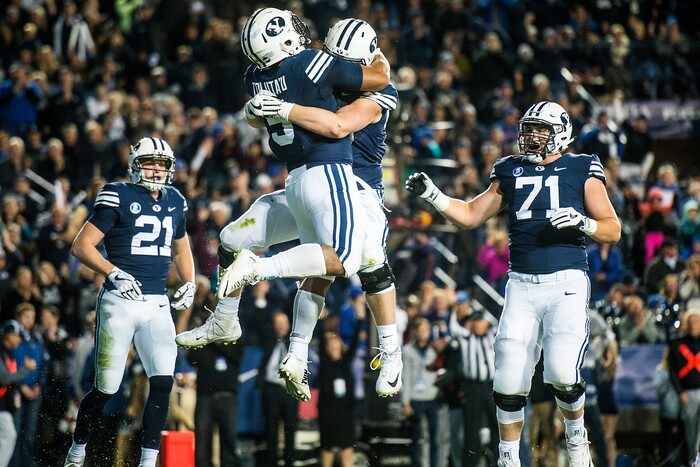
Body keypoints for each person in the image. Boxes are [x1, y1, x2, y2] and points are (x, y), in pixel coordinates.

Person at [175, 14, 399, 401]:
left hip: (360, 190)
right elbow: (328, 116)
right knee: (326, 261)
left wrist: (273, 109)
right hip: (327, 180)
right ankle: (254, 330)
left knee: (368, 260)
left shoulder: (352, 86)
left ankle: (389, 352)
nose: (339, 63)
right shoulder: (321, 70)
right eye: (335, 57)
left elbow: (339, 123)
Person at [406, 101, 622, 467]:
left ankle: (575, 435)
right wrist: (434, 196)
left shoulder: (582, 165)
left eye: (540, 129)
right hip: (520, 283)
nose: (532, 136)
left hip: (565, 281)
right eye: (529, 128)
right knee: (506, 376)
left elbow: (612, 229)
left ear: (561, 132)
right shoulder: (509, 169)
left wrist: (583, 223)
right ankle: (508, 459)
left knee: (560, 371)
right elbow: (472, 214)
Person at [63, 137, 196, 467]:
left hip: (156, 303)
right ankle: (78, 449)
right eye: (151, 162)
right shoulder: (118, 194)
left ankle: (148, 462)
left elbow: (181, 247)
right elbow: (81, 246)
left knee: (163, 382)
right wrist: (112, 272)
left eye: (162, 163)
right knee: (106, 389)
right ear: (136, 163)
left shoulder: (175, 200)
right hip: (120, 301)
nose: (157, 169)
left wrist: (190, 281)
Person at [0, 320, 37, 467]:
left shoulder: (7, 352)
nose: (19, 340)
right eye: (18, 336)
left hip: (3, 403)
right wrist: (25, 370)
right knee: (9, 434)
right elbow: (3, 378)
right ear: (10, 334)